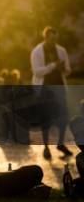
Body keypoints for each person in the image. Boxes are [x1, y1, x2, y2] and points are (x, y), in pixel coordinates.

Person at [31, 26, 72, 160]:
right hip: (44, 90)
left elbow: (68, 70)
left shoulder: (61, 50)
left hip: (59, 88)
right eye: (51, 39)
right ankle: (46, 147)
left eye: (56, 38)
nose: (54, 41)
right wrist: (53, 66)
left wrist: (64, 68)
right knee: (46, 119)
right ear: (46, 37)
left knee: (64, 116)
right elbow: (37, 71)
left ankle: (60, 143)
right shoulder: (37, 51)